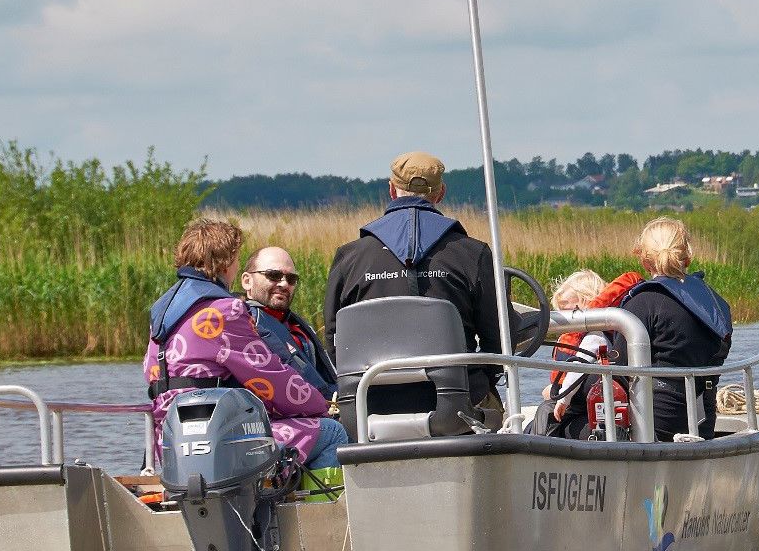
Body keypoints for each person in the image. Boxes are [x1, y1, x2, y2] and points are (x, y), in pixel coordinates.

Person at [144, 219, 348, 471]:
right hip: (215, 440)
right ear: (227, 262)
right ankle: (312, 508)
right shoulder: (223, 311)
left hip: (170, 441)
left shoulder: (164, 311)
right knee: (331, 432)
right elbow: (269, 377)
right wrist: (321, 406)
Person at [323, 151, 509, 416]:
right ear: (441, 193)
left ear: (391, 189)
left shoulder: (350, 257)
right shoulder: (473, 253)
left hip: (371, 406)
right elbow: (498, 335)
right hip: (457, 405)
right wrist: (485, 380)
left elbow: (334, 338)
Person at [613, 217, 732, 441]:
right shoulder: (716, 304)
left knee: (571, 424)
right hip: (703, 421)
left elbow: (617, 370)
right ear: (687, 258)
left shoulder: (643, 303)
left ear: (644, 260)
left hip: (656, 424)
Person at [539, 269, 641, 439]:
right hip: (579, 403)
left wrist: (563, 397)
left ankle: (536, 454)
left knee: (545, 412)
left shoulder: (595, 335)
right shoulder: (574, 338)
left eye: (570, 313)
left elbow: (579, 365)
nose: (567, 322)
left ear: (589, 303)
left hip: (584, 401)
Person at [241, 246, 338, 399]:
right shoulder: (244, 325)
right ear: (247, 281)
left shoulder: (297, 325)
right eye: (273, 275)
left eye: (291, 279)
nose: (284, 284)